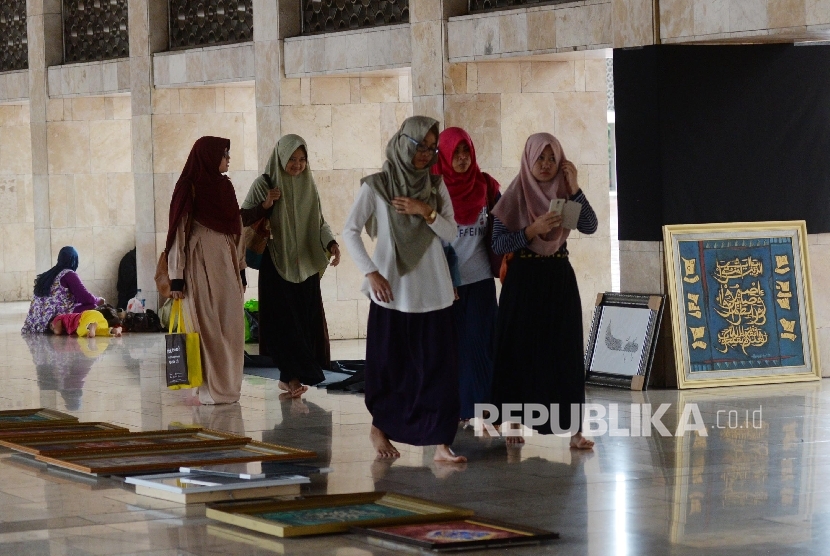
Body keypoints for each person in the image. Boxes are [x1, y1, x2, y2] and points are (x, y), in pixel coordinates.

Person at [342, 116, 466, 463]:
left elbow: (452, 233)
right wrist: (370, 273)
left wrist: (425, 211)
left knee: (439, 369)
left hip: (434, 291)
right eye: (419, 146)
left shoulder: (435, 186)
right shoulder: (378, 185)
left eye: (431, 147)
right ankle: (380, 427)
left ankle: (441, 441)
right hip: (392, 292)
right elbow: (349, 231)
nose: (426, 154)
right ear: (403, 143)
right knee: (390, 366)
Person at [490, 133, 598, 450]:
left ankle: (575, 430)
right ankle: (513, 420)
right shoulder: (514, 194)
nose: (547, 165)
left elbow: (590, 226)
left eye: (552, 158)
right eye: (541, 158)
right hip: (523, 279)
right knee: (518, 350)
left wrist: (575, 186)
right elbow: (497, 243)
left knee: (564, 352)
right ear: (529, 159)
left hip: (558, 278)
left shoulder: (565, 194)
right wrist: (530, 231)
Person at [241, 134, 340, 398]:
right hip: (276, 262)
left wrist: (331, 244)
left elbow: (319, 222)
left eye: (302, 160)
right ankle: (291, 378)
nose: (297, 165)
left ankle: (290, 378)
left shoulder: (309, 185)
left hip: (305, 265)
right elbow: (242, 217)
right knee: (284, 326)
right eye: (291, 159)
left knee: (305, 324)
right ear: (280, 158)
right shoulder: (265, 183)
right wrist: (266, 205)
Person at [167, 136, 246, 405]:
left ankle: (228, 385)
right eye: (224, 153)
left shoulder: (225, 188)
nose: (228, 158)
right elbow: (178, 233)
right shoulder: (189, 187)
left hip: (226, 262)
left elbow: (237, 230)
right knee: (206, 325)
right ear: (209, 156)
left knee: (232, 325)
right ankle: (209, 388)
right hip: (198, 262)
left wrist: (242, 268)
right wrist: (176, 278)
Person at [432, 127, 501, 424]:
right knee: (453, 347)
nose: (461, 158)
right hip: (448, 282)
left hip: (481, 278)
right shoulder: (434, 190)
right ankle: (458, 409)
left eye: (465, 152)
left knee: (483, 342)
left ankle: (485, 407)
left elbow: (505, 223)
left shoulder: (486, 186)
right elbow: (427, 237)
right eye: (455, 153)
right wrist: (444, 276)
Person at [22, 246, 104, 334]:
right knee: (93, 307)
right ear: (74, 260)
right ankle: (59, 324)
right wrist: (99, 300)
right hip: (53, 317)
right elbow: (85, 298)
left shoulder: (47, 275)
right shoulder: (69, 274)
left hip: (36, 320)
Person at [49, 310, 122, 337]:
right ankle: (114, 330)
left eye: (52, 326)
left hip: (86, 316)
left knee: (80, 331)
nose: (53, 328)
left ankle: (91, 326)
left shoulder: (58, 318)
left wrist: (54, 329)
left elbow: (58, 331)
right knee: (99, 331)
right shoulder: (67, 323)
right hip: (96, 317)